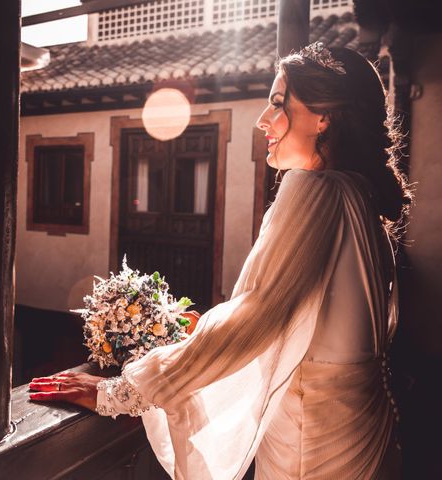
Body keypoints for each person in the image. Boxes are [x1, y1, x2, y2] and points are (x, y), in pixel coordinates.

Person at [29, 42, 412, 479]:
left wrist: (123, 390)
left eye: (276, 103)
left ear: (323, 115)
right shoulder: (361, 199)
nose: (262, 120)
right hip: (370, 442)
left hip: (314, 456)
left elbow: (255, 316)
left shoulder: (315, 189)